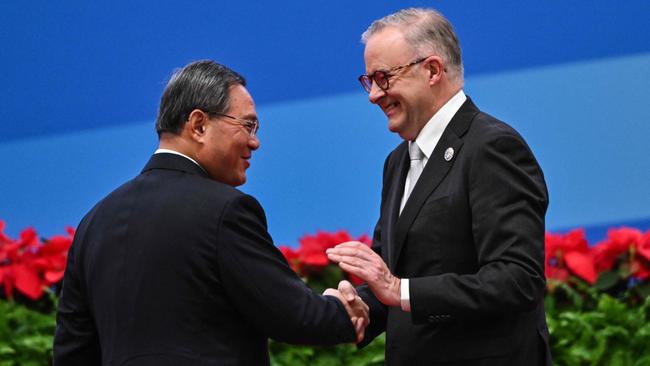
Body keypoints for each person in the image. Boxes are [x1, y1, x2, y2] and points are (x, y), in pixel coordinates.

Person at [53, 60, 368, 366]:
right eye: (247, 125)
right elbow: (295, 316)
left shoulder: (94, 222)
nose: (255, 142)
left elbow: (72, 353)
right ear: (199, 124)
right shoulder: (225, 209)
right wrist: (344, 311)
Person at [326, 8, 552, 365]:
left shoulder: (492, 147)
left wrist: (399, 290)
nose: (373, 95)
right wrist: (359, 308)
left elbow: (517, 279)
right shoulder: (397, 161)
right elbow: (395, 278)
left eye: (384, 78)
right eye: (369, 81)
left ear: (432, 70)